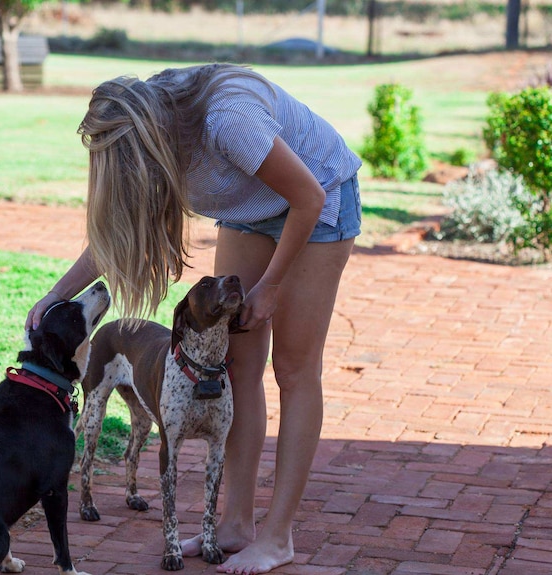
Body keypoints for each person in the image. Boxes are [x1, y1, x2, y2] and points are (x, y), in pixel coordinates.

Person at [26, 63, 362, 574]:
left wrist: (270, 286)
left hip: (317, 199)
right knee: (238, 365)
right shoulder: (148, 125)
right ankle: (234, 525)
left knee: (294, 370)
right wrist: (56, 294)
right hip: (251, 208)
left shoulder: (228, 121)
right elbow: (119, 232)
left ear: (149, 138)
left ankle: (277, 537)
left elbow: (308, 196)